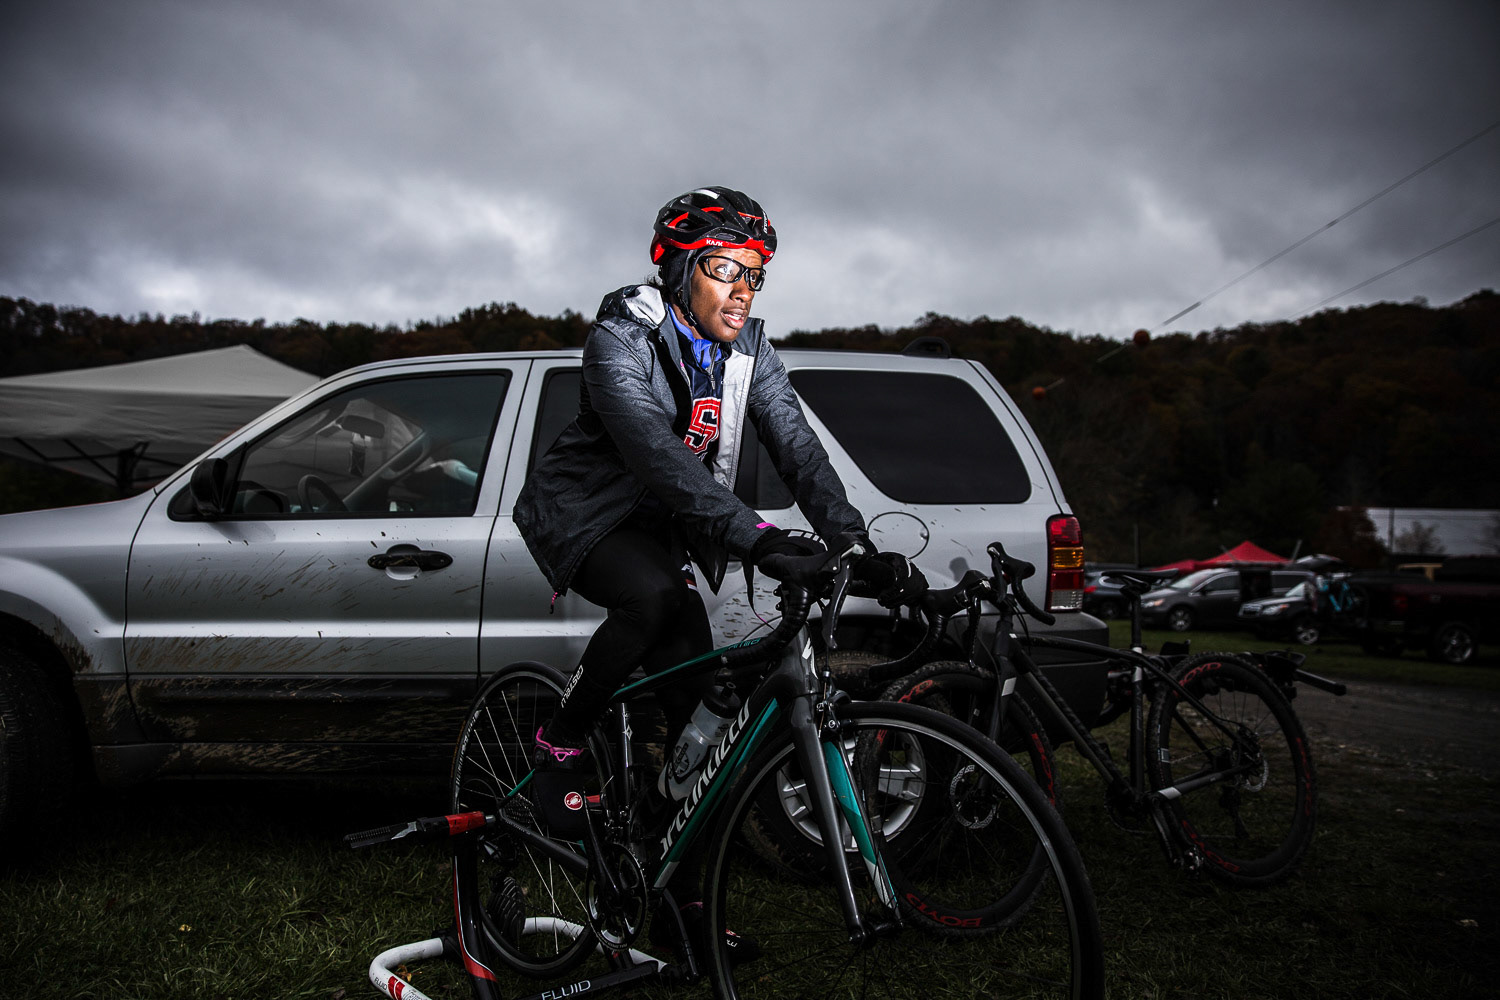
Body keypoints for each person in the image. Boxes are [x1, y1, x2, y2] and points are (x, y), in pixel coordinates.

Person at [513, 185, 915, 958]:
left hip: (670, 525)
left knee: (705, 729)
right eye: (725, 268)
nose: (743, 289)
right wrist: (757, 537)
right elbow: (657, 456)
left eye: (755, 274)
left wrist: (853, 545)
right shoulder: (620, 341)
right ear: (678, 269)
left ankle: (674, 903)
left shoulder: (750, 351)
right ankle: (561, 738)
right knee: (652, 594)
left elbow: (798, 448)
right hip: (589, 517)